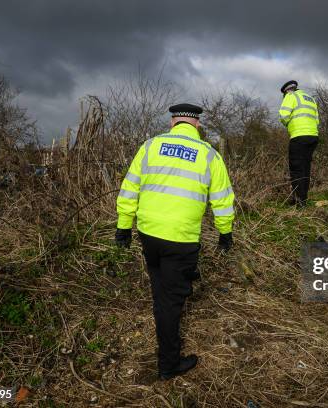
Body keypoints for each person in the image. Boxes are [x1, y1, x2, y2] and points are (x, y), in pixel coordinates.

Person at [114, 103, 235, 379]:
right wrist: (225, 232)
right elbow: (222, 200)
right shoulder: (209, 155)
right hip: (180, 239)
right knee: (171, 300)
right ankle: (168, 364)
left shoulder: (150, 146)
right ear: (197, 125)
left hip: (149, 235)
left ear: (172, 123)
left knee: (161, 291)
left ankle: (166, 313)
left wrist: (123, 227)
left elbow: (130, 187)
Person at [278, 80, 320, 207]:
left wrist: (288, 125)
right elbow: (317, 120)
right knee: (305, 169)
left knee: (296, 169)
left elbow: (283, 115)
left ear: (287, 90)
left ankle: (299, 201)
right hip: (313, 137)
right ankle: (303, 199)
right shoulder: (310, 99)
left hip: (298, 136)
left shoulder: (291, 96)